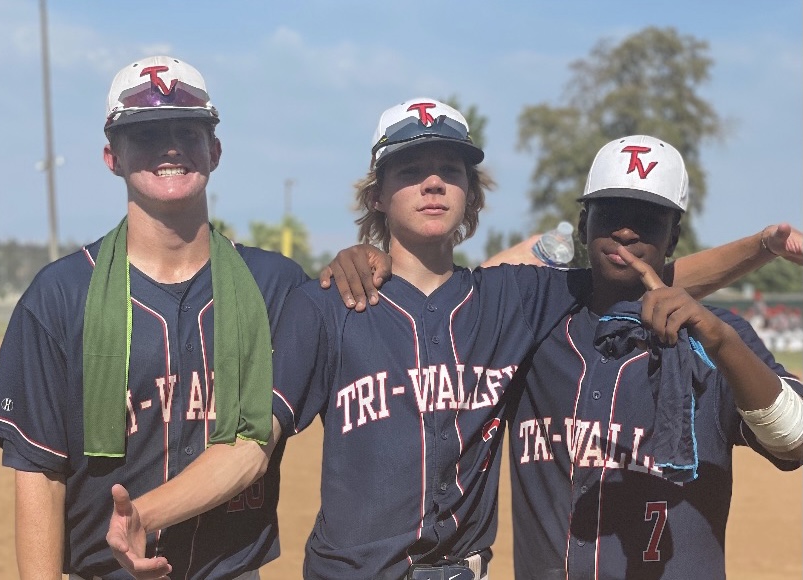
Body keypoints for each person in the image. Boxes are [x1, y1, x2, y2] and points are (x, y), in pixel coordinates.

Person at [106, 101, 800, 579]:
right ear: (376, 195)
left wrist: (762, 247)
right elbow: (248, 444)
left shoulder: (514, 298)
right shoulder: (326, 304)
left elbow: (640, 269)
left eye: (450, 171)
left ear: (471, 192)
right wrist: (147, 512)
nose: (432, 182)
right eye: (409, 170)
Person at [0, 55, 388, 580]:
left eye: (187, 131)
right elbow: (39, 472)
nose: (170, 147)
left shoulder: (276, 286)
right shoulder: (60, 294)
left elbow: (369, 336)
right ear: (112, 156)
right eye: (146, 134)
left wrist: (370, 257)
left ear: (214, 151)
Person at [506, 135, 803, 579]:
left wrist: (720, 343)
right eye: (611, 214)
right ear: (584, 222)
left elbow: (792, 442)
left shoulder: (714, 335)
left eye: (647, 219)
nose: (626, 232)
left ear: (674, 236)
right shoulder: (532, 327)